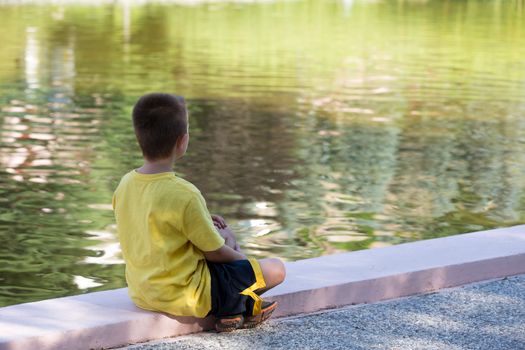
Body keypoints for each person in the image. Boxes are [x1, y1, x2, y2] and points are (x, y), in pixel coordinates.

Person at [112, 92, 286, 332]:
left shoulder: (125, 185)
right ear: (182, 141)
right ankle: (236, 305)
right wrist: (243, 256)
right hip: (189, 295)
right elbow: (215, 253)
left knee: (224, 252)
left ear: (138, 137)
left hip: (143, 292)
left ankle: (234, 310)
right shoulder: (185, 193)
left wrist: (206, 224)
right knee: (274, 267)